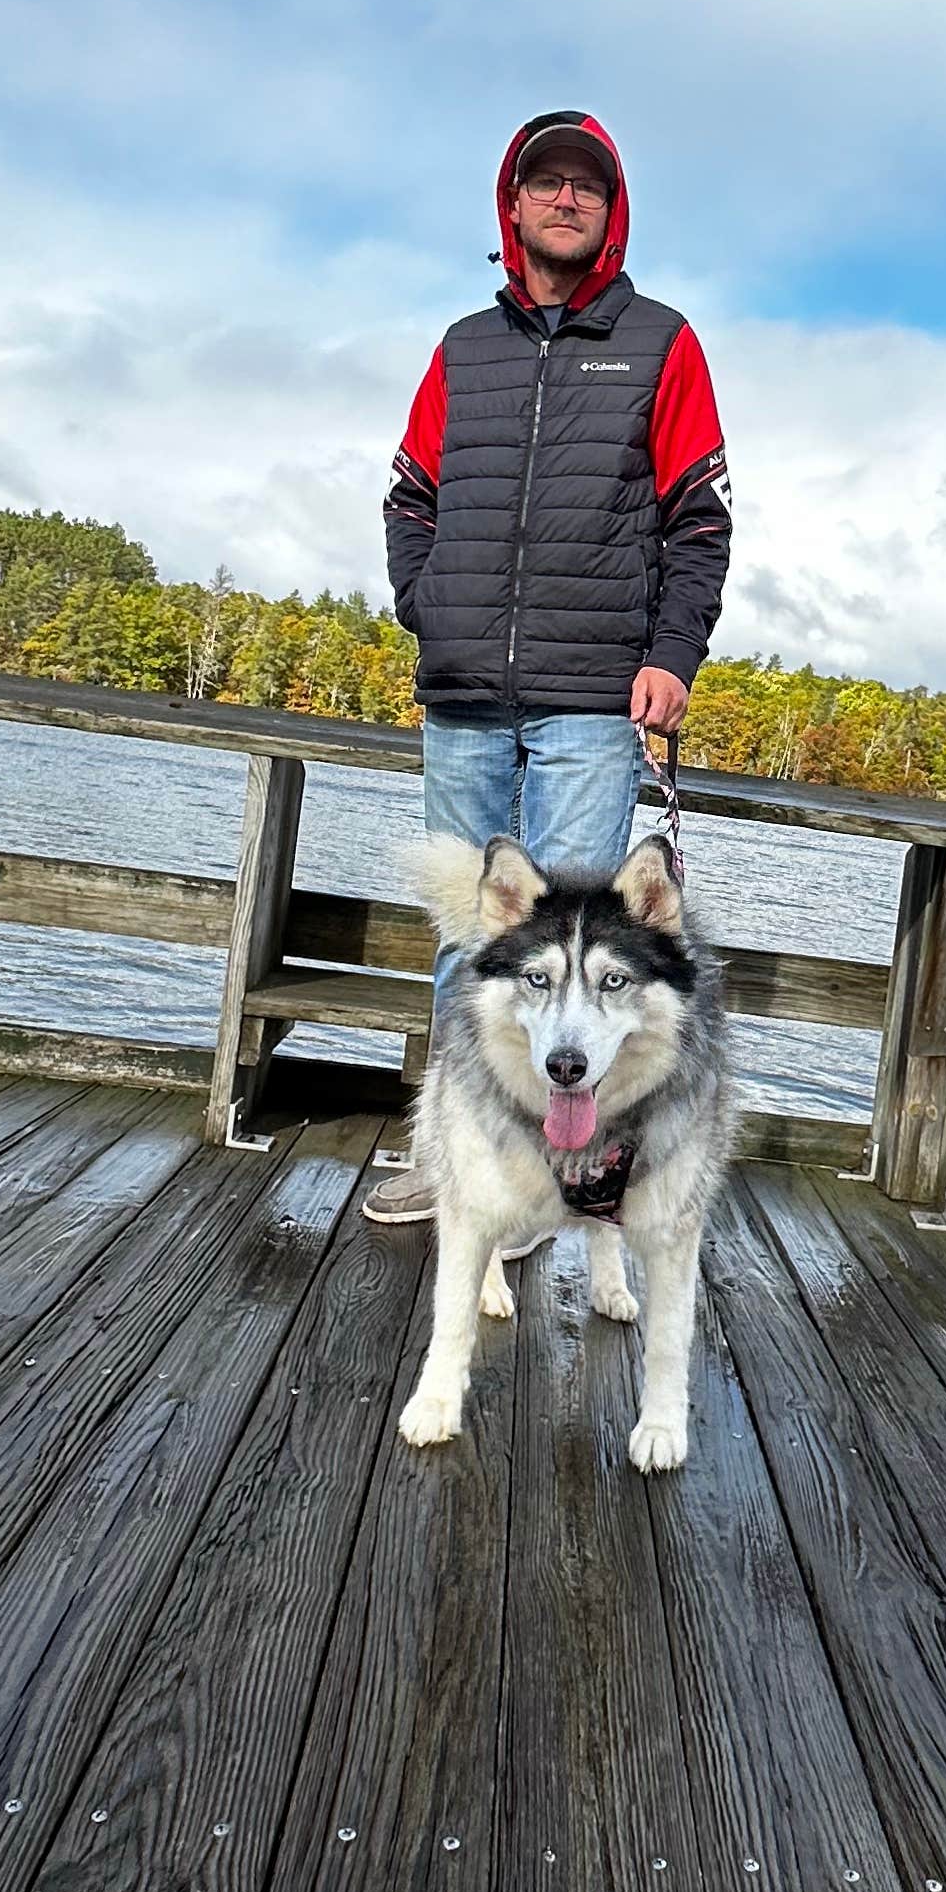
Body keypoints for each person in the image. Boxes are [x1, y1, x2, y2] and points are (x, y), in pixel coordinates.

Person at [367, 108, 733, 1226]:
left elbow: (699, 521)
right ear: (512, 206)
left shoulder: (663, 342)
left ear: (611, 213)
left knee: (578, 964)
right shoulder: (461, 350)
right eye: (547, 183)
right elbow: (409, 495)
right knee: (474, 945)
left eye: (588, 186)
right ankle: (458, 1159)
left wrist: (671, 654)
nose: (565, 199)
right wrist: (429, 609)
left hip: (590, 698)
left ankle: (555, 1176)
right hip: (464, 693)